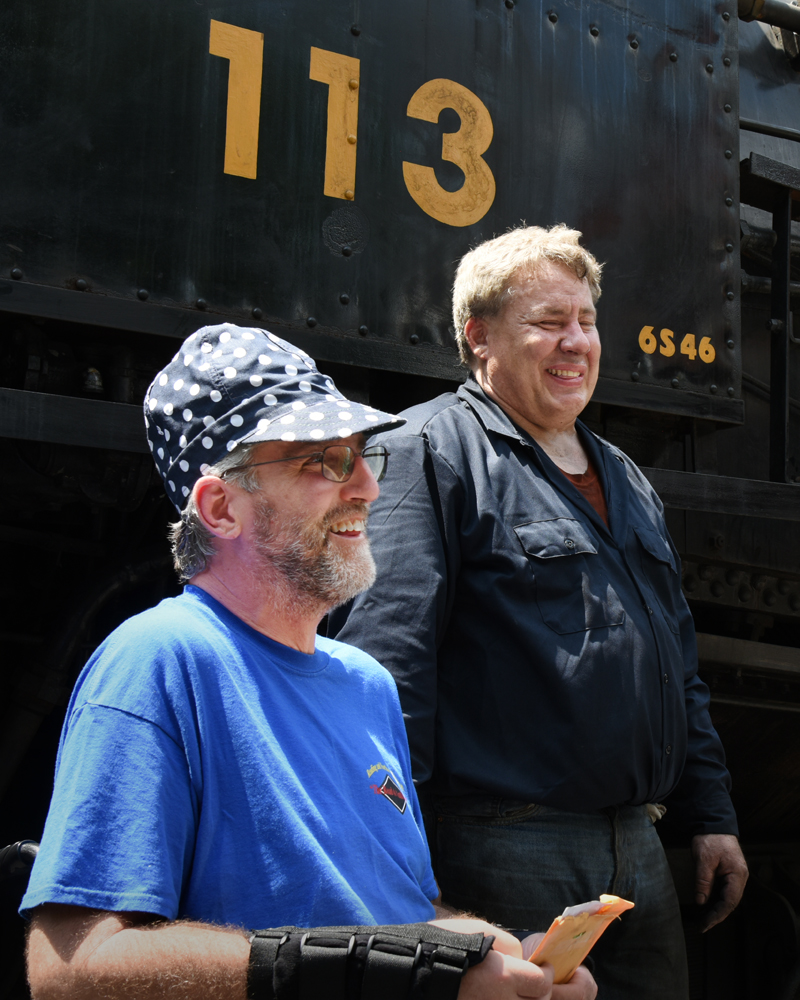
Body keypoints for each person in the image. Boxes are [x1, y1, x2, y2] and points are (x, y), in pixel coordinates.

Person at [21, 323, 595, 1000]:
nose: (366, 489)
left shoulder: (368, 685)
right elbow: (70, 969)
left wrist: (484, 949)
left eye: (359, 457)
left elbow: (387, 918)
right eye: (321, 462)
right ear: (221, 507)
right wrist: (402, 973)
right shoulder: (157, 661)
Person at [330, 226, 749, 999]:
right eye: (549, 321)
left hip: (638, 850)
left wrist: (709, 814)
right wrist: (396, 856)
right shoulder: (427, 452)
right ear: (478, 336)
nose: (576, 342)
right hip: (502, 846)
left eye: (586, 321)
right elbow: (389, 667)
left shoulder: (624, 475)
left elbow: (675, 664)